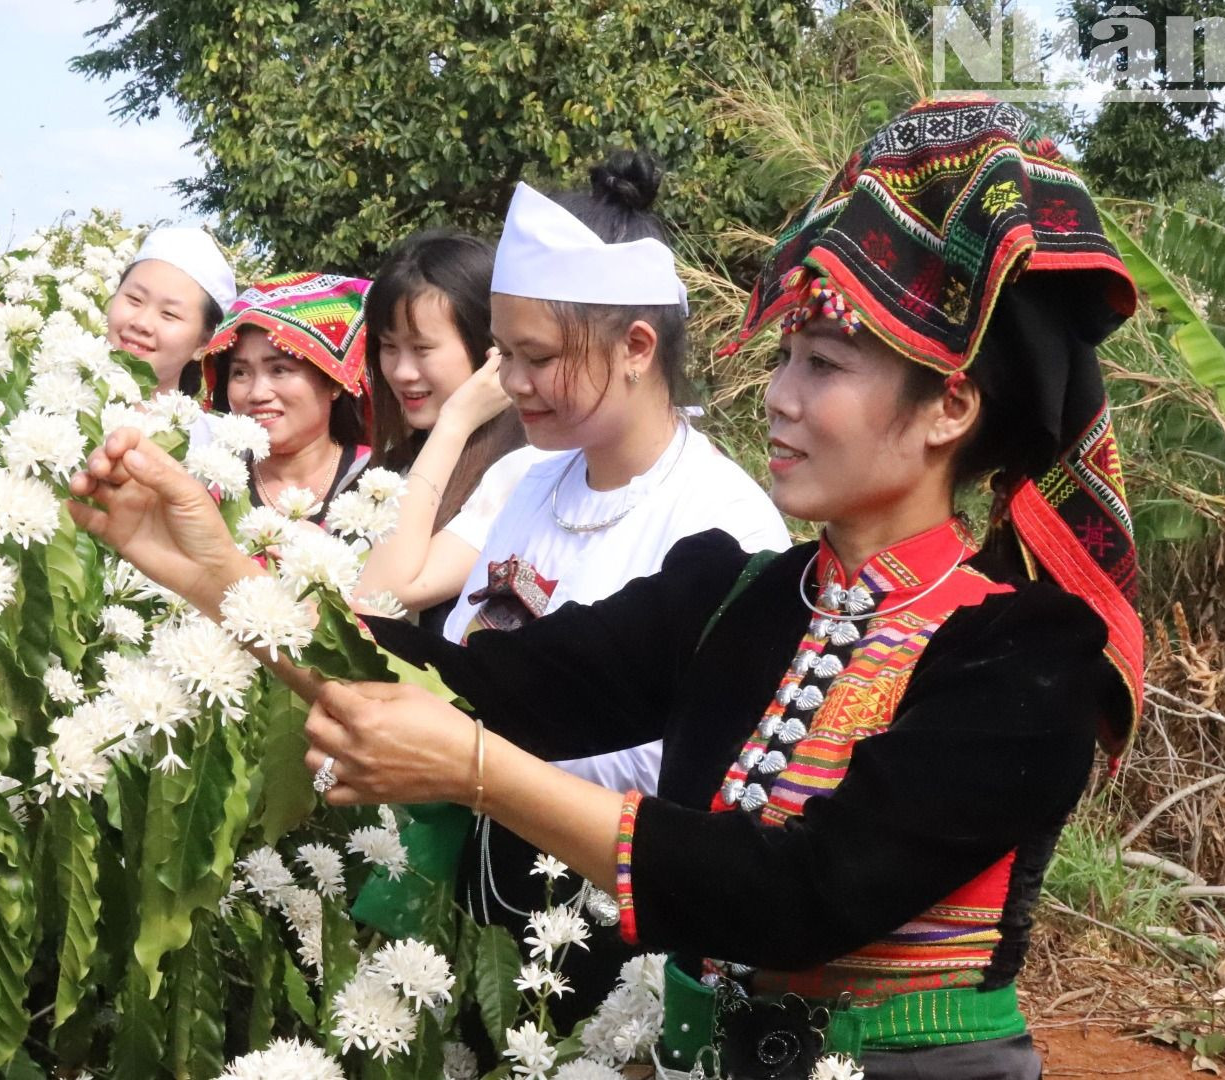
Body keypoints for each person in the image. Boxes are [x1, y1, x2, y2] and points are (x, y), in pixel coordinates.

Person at [68, 100, 1146, 1076]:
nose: (775, 396)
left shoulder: (1031, 653)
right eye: (785, 360)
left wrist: (483, 773)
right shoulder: (739, 597)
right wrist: (209, 571)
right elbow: (466, 683)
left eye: (821, 364)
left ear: (948, 408)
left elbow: (802, 895)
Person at [74, 151, 790, 1019]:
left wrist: (461, 759)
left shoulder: (725, 529)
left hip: (601, 931)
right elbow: (405, 644)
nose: (510, 384)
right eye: (503, 357)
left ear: (637, 348)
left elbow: (688, 765)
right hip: (463, 899)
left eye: (535, 357)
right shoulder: (527, 480)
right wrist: (214, 570)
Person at [357, 229, 538, 631]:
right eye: (389, 348)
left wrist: (455, 422)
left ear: (487, 348)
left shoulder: (523, 472)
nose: (402, 372)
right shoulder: (390, 464)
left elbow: (377, 597)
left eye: (422, 349)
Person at [0, 226, 236, 404]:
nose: (141, 323)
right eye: (134, 299)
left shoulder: (204, 448)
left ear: (204, 341)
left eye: (169, 314)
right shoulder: (47, 394)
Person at [203, 273, 373, 524]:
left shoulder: (381, 482)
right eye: (240, 373)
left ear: (334, 382)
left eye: (279, 370)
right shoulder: (208, 483)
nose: (258, 393)